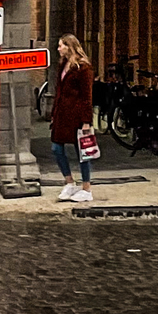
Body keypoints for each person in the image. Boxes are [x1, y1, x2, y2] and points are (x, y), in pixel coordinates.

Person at [49, 33, 95, 204]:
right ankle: (69, 182)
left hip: (76, 116)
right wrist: (54, 113)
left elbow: (86, 96)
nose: (58, 48)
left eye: (61, 45)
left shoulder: (84, 69)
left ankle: (86, 188)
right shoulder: (63, 65)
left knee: (82, 152)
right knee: (56, 148)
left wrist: (86, 121)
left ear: (70, 46)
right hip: (62, 115)